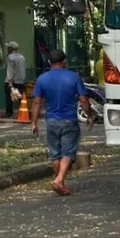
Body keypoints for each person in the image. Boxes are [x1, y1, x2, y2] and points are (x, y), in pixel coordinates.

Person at [31, 49, 94, 196]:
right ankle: (59, 180)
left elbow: (37, 102)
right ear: (65, 62)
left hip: (51, 121)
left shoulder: (42, 79)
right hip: (69, 120)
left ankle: (61, 183)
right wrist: (89, 115)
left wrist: (34, 123)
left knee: (55, 154)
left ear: (49, 62)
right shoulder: (73, 77)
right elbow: (83, 99)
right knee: (68, 152)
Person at [4, 41, 27, 118]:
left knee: (9, 97)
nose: (7, 49)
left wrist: (9, 82)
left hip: (12, 81)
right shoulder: (22, 57)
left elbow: (10, 70)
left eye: (8, 47)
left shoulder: (10, 57)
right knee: (21, 98)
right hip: (21, 81)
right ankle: (23, 113)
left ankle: (9, 113)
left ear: (11, 48)